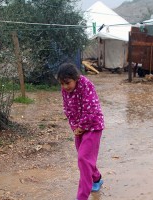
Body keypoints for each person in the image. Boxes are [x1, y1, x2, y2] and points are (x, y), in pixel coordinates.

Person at [57, 63, 105, 200]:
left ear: (76, 78)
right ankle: (96, 179)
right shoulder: (65, 90)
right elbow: (67, 108)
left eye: (67, 83)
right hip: (79, 128)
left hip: (93, 126)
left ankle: (82, 196)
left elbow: (92, 109)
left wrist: (82, 126)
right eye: (62, 84)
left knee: (83, 158)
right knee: (85, 157)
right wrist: (74, 127)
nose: (65, 87)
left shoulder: (86, 85)